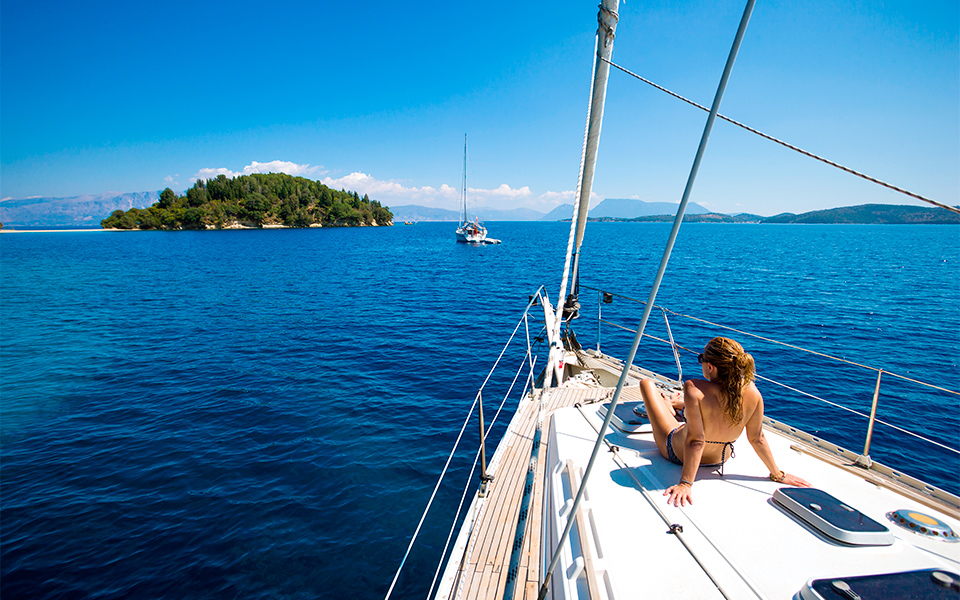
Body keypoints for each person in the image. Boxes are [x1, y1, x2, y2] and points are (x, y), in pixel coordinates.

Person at [639, 336, 810, 507]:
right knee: (700, 413)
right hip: (719, 459)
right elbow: (757, 438)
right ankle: (677, 405)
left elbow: (696, 441)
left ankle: (670, 404)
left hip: (677, 452)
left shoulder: (694, 388)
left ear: (710, 367)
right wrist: (778, 474)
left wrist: (686, 483)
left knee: (646, 384)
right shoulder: (753, 392)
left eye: (701, 360)